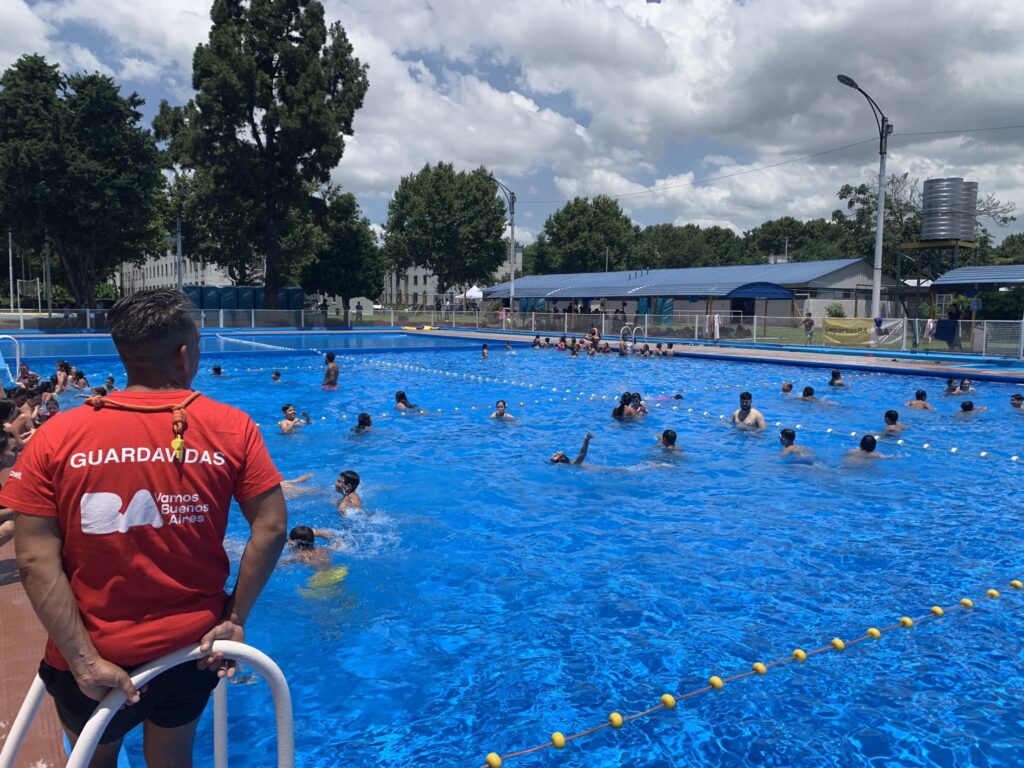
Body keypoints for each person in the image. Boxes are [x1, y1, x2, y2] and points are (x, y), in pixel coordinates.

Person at [1, 288, 286, 767]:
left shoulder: (56, 435)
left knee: (94, 760)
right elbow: (272, 527)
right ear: (184, 354)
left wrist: (84, 662)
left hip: (94, 654)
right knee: (172, 760)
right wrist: (235, 616)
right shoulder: (233, 427)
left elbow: (32, 558)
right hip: (192, 649)